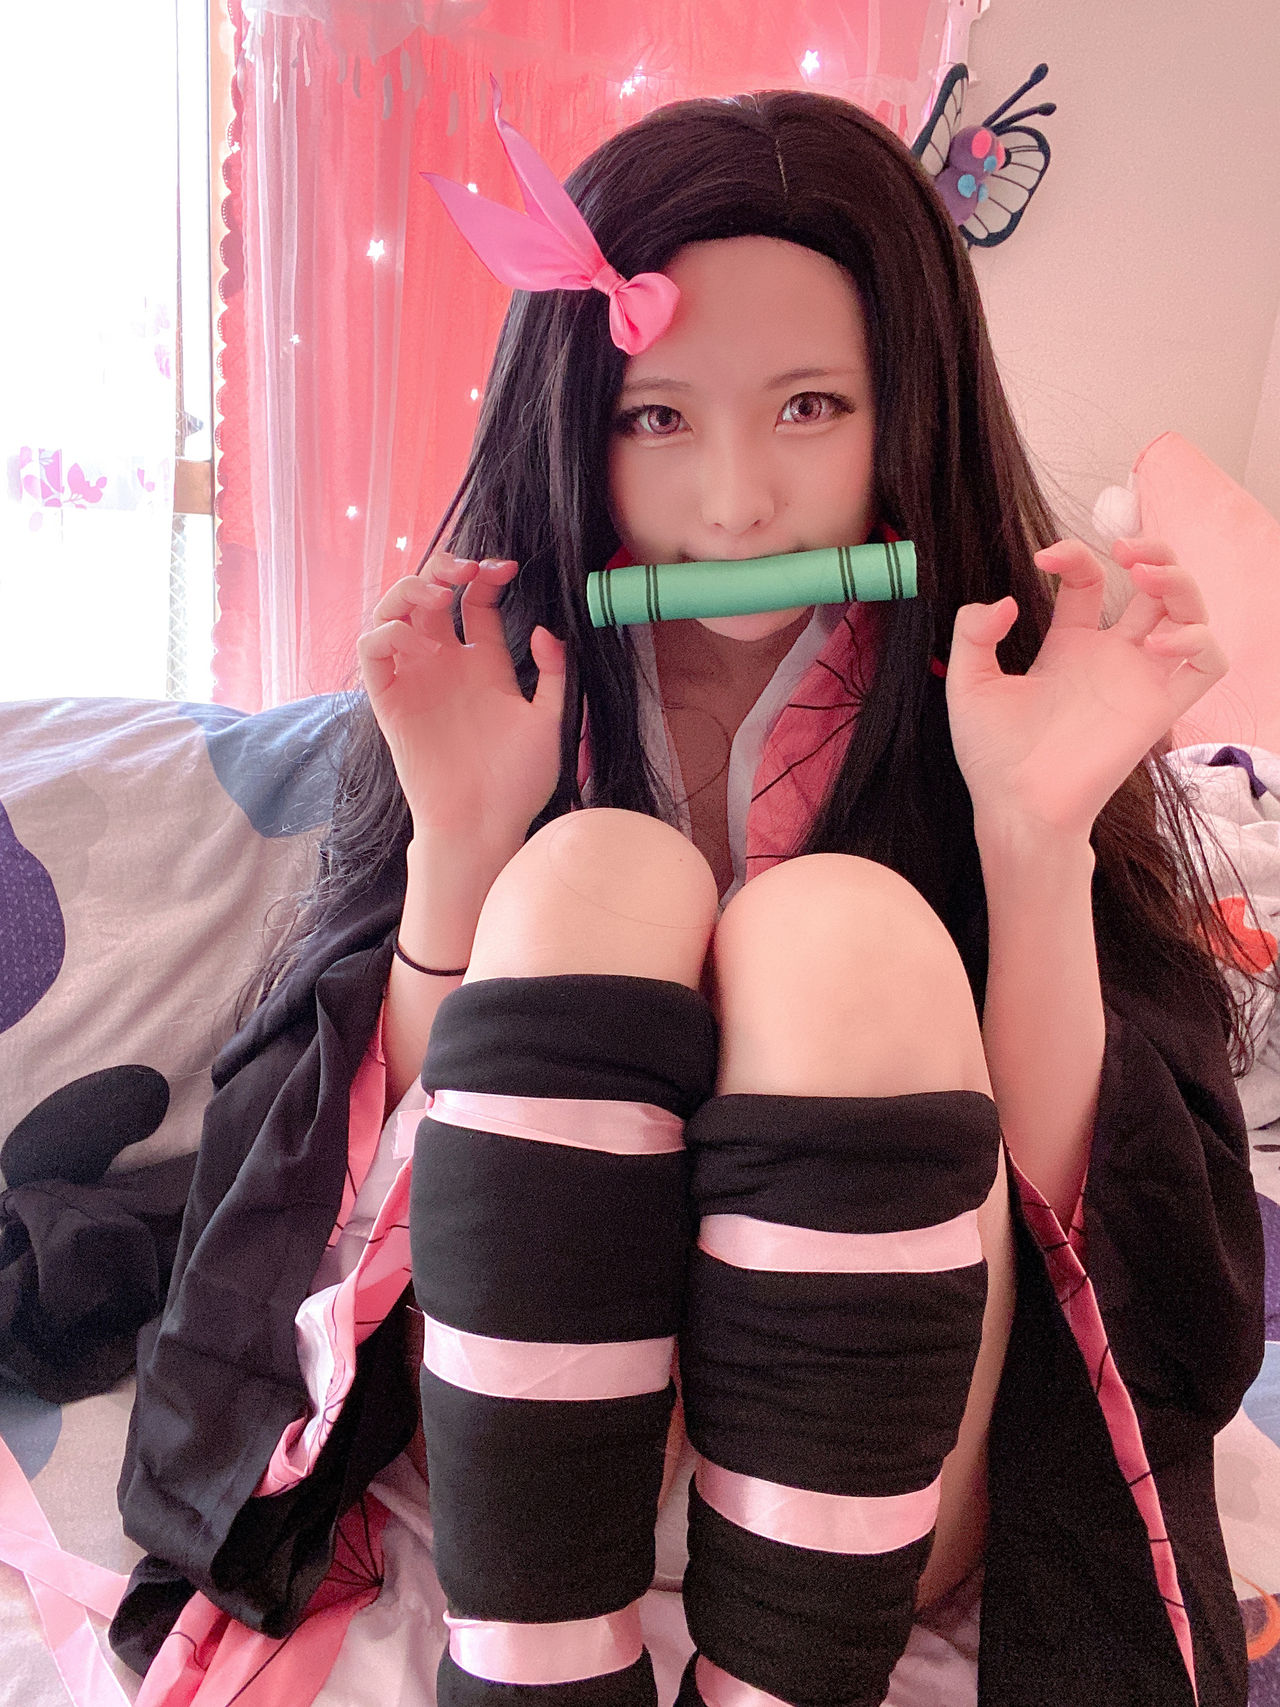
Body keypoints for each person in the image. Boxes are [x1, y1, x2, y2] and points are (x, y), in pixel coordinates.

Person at [111, 87, 1267, 1707]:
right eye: (659, 417)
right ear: (576, 422)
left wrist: (1037, 835)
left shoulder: (992, 682)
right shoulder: (502, 682)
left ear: (908, 412)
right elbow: (348, 1198)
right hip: (521, 1469)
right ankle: (537, 1679)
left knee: (843, 929)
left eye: (810, 408)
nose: (735, 503)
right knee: (593, 874)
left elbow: (1094, 1246)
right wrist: (460, 843)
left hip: (879, 1477)